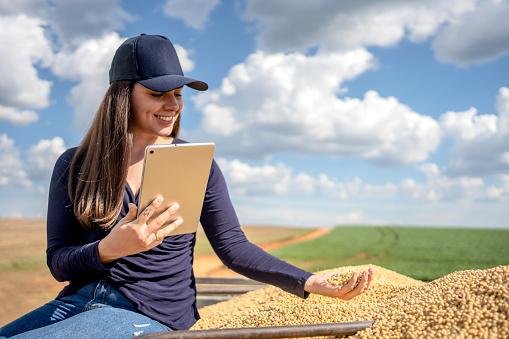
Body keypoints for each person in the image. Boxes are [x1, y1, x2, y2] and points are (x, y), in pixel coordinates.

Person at [0, 34, 374, 338]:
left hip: (149, 313)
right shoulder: (74, 164)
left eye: (177, 94)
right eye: (157, 93)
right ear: (122, 95)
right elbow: (59, 263)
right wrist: (108, 249)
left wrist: (307, 281)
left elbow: (234, 248)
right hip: (80, 301)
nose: (172, 105)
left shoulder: (199, 165)